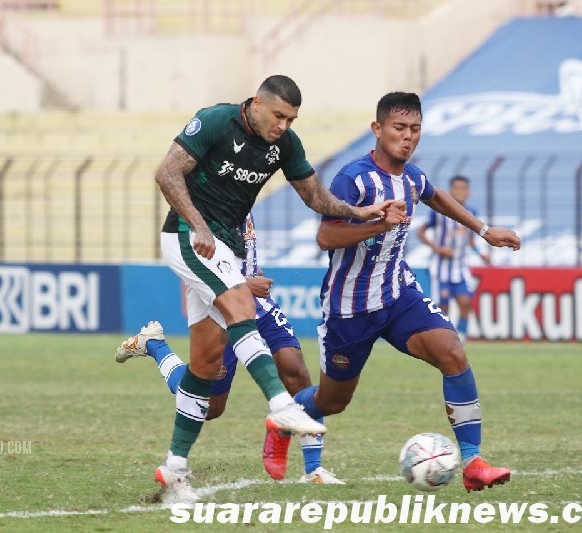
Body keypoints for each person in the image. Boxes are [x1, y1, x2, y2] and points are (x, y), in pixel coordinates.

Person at [150, 75, 404, 503]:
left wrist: (361, 212)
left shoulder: (285, 145)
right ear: (257, 104)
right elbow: (167, 172)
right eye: (279, 116)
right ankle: (281, 406)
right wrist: (196, 225)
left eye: (292, 119)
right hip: (187, 235)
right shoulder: (216, 121)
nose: (284, 126)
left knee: (206, 364)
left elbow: (315, 196)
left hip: (224, 246)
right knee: (241, 305)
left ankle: (173, 471)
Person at [292, 92, 521, 493]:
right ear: (377, 129)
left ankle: (472, 462)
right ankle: (287, 415)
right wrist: (378, 224)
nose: (408, 136)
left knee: (453, 352)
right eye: (399, 128)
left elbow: (435, 196)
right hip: (351, 309)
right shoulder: (354, 178)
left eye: (415, 129)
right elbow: (326, 236)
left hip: (398, 295)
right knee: (332, 402)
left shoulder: (412, 176)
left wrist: (484, 231)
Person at [116, 213, 343, 485]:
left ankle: (314, 469)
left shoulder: (239, 198)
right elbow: (196, 269)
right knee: (210, 406)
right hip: (222, 308)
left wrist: (252, 275)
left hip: (258, 305)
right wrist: (246, 284)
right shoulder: (201, 212)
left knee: (295, 369)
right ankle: (154, 344)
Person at [417, 175, 490, 344]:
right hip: (441, 267)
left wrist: (480, 254)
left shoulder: (472, 213)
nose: (460, 192)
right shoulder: (439, 213)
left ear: (469, 192)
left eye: (463, 188)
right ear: (450, 191)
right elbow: (420, 232)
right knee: (443, 306)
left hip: (460, 267)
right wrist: (438, 248)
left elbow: (471, 240)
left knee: (465, 302)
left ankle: (461, 338)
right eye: (456, 188)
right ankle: (444, 339)